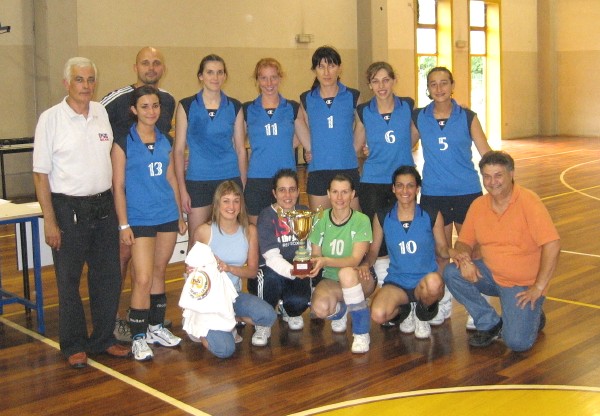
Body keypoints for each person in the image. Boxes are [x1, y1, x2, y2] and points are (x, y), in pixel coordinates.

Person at [33, 57, 131, 369]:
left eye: (90, 80)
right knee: (69, 280)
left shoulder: (101, 112)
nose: (86, 86)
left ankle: (103, 338)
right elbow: (40, 175)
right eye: (79, 80)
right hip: (67, 208)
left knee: (108, 277)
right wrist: (50, 219)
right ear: (66, 83)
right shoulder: (50, 119)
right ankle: (74, 344)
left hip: (103, 205)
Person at [443, 151, 560, 351]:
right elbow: (464, 242)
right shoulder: (479, 205)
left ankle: (532, 313)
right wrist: (464, 259)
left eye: (498, 175)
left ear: (511, 174)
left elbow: (553, 244)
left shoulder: (529, 202)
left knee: (516, 343)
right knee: (452, 272)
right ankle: (489, 322)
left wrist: (539, 287)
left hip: (522, 286)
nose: (492, 182)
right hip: (490, 275)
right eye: (487, 176)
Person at [101, 46, 176, 342]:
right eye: (146, 62)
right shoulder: (116, 99)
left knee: (152, 269)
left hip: (157, 199)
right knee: (123, 257)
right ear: (135, 66)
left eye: (157, 62)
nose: (152, 67)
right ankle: (114, 318)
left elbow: (167, 150)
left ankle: (146, 319)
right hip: (124, 196)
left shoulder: (167, 100)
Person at [111, 85, 187, 361]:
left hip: (166, 213)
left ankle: (155, 327)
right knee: (142, 278)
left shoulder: (165, 140)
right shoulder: (123, 142)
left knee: (158, 272)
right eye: (144, 106)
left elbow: (170, 179)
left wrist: (179, 214)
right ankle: (138, 337)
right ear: (134, 110)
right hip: (139, 218)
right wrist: (123, 224)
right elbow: (118, 186)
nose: (151, 111)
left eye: (155, 106)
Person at [412, 66, 492, 326]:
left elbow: (485, 152)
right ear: (428, 88)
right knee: (441, 252)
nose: (439, 88)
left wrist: (501, 180)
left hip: (467, 191)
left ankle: (477, 305)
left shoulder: (468, 117)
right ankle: (444, 300)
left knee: (472, 250)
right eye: (433, 84)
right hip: (435, 194)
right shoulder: (421, 117)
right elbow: (403, 144)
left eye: (444, 83)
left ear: (452, 85)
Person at [361, 166, 448, 339]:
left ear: (417, 189)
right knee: (378, 314)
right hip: (397, 282)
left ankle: (422, 314)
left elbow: (442, 248)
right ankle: (406, 309)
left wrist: (456, 252)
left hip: (424, 280)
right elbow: (373, 251)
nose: (405, 190)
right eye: (399, 185)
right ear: (393, 188)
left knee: (434, 283)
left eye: (410, 185)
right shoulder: (383, 216)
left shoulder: (431, 214)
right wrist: (365, 264)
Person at [193, 181, 277, 357]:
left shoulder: (249, 231)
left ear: (241, 204)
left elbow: (253, 271)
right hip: (210, 301)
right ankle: (198, 326)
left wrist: (229, 268)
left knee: (269, 315)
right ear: (217, 204)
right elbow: (191, 272)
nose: (231, 206)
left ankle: (230, 320)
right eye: (226, 201)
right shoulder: (204, 231)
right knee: (225, 350)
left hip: (233, 295)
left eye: (236, 201)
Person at [174, 54, 247, 251]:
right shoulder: (186, 106)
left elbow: (241, 150)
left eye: (219, 72)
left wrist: (243, 185)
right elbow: (179, 150)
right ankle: (195, 282)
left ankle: (228, 282)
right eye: (210, 72)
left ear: (225, 76)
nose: (215, 77)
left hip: (229, 179)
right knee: (196, 242)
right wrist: (182, 189)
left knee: (229, 238)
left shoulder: (235, 106)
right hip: (198, 181)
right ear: (201, 76)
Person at [355, 61, 416, 289]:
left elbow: (415, 135)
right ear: (370, 85)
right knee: (377, 235)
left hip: (403, 181)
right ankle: (384, 286)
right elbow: (356, 146)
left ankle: (405, 283)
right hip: (373, 181)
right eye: (375, 81)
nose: (381, 86)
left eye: (386, 80)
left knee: (403, 231)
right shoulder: (364, 111)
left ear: (393, 80)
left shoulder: (407, 106)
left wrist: (400, 149)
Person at [307, 174, 374, 353]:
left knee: (346, 273)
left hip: (359, 278)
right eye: (335, 192)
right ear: (328, 194)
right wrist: (310, 265)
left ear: (352, 195)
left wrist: (326, 260)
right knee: (320, 309)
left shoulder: (361, 220)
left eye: (344, 192)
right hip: (331, 279)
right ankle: (343, 308)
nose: (339, 198)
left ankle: (361, 333)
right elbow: (315, 254)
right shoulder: (319, 218)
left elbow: (354, 260)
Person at [243, 58, 312, 224]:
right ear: (257, 80)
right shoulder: (247, 109)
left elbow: (308, 141)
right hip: (257, 179)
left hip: (286, 180)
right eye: (263, 78)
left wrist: (286, 147)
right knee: (257, 233)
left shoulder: (292, 108)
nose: (269, 83)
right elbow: (235, 145)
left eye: (273, 77)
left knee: (286, 233)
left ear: (280, 78)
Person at [249, 169, 316, 331]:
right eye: (282, 190)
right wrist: (293, 271)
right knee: (269, 279)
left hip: (295, 269)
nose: (288, 195)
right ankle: (263, 320)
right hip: (269, 271)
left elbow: (311, 245)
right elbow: (271, 257)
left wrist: (309, 266)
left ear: (298, 192)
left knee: (298, 302)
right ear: (274, 193)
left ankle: (288, 310)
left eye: (292, 189)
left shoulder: (304, 212)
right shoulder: (267, 215)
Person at [300, 46, 361, 211]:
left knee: (354, 225)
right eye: (321, 67)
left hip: (347, 167)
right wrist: (309, 147)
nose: (327, 72)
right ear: (315, 70)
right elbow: (299, 123)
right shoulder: (306, 99)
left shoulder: (353, 96)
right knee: (320, 227)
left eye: (331, 66)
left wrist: (353, 148)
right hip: (318, 169)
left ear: (339, 68)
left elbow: (362, 124)